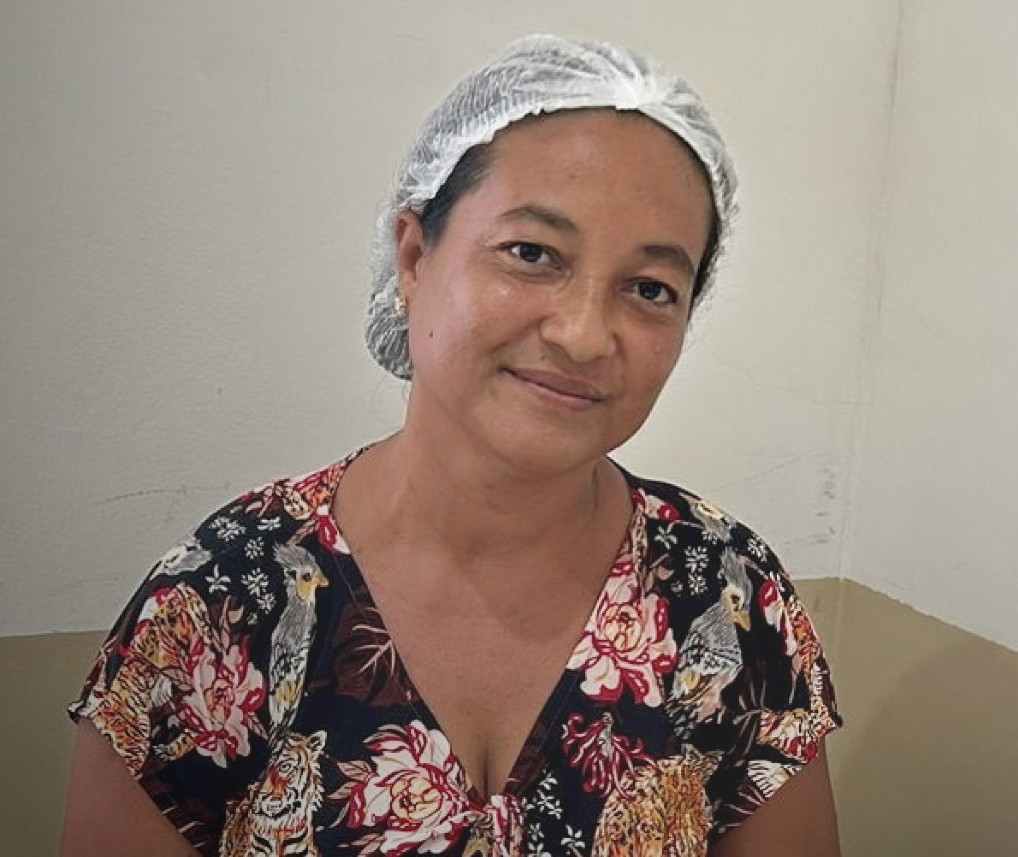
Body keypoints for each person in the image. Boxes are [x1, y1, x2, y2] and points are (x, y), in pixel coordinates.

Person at [61, 34, 842, 857]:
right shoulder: (220, 605)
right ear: (412, 255)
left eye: (650, 288)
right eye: (532, 253)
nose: (583, 334)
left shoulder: (725, 596)